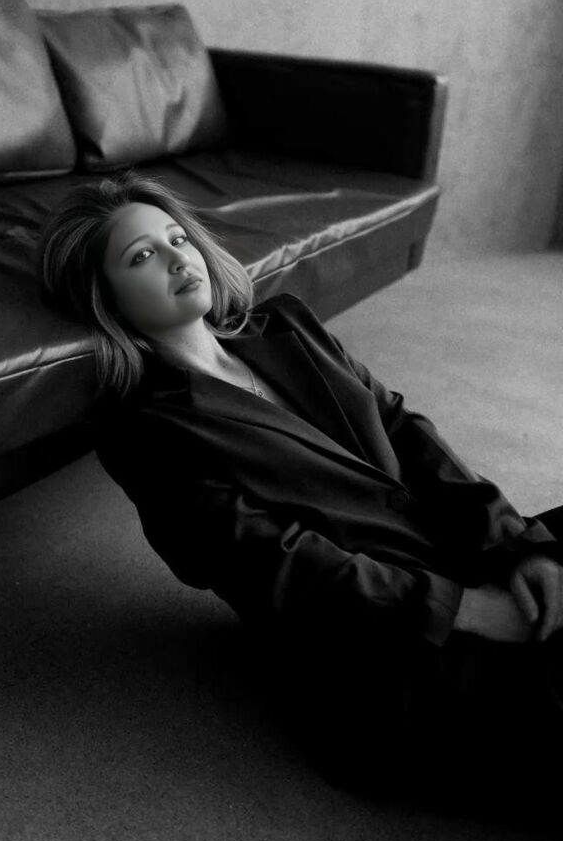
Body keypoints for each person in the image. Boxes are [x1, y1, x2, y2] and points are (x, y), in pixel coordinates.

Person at [40, 170, 563, 807]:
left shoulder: (285, 325)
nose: (178, 258)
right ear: (107, 299)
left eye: (178, 238)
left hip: (456, 554)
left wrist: (518, 546)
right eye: (141, 256)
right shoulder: (143, 430)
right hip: (381, 650)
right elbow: (273, 563)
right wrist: (461, 608)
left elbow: (403, 428)